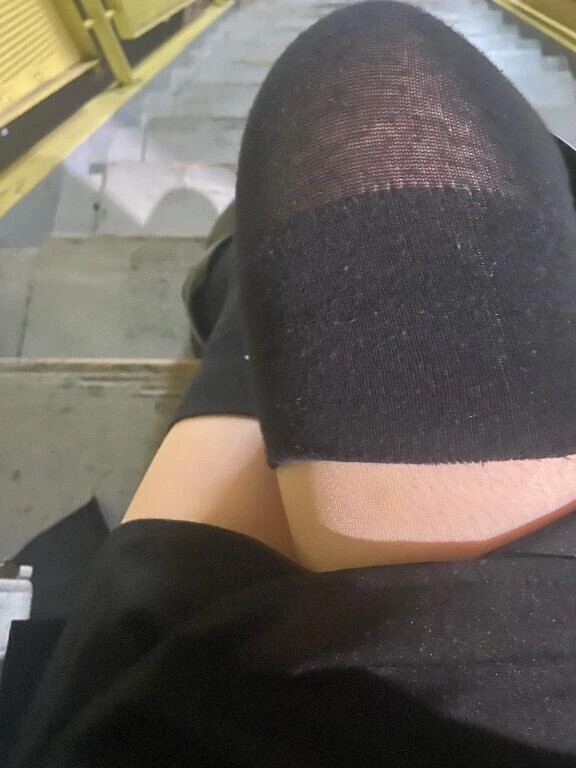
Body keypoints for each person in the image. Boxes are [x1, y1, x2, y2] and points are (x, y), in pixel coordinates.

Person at [8, 2, 576, 765]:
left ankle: (232, 288)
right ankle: (232, 286)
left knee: (360, 84)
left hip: (190, 713)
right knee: (384, 100)